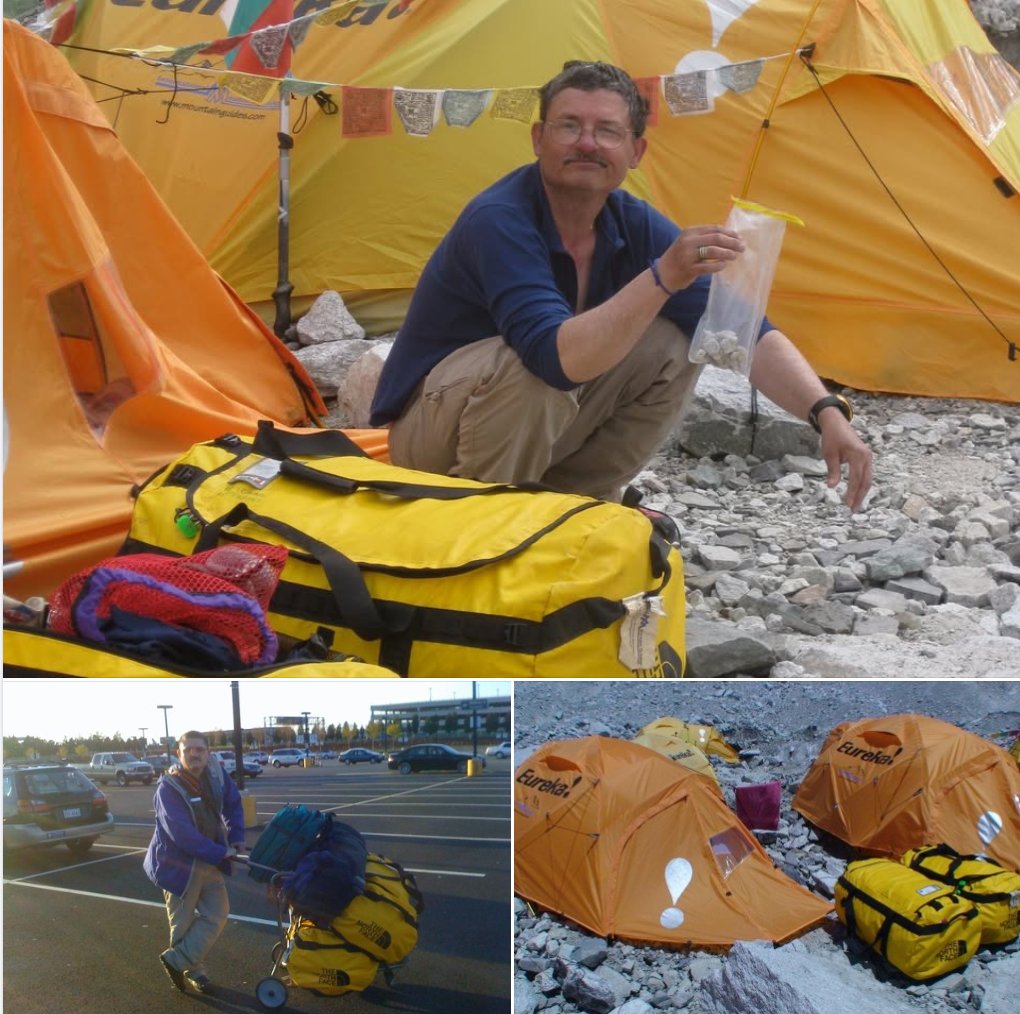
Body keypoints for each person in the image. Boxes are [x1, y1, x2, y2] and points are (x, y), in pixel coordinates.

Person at [370, 61, 873, 510]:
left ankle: (575, 507)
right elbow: (553, 358)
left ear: (635, 151)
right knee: (533, 371)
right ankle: (485, 520)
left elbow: (739, 328)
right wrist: (663, 277)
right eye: (570, 126)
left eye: (607, 131)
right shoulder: (499, 219)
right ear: (538, 139)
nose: (587, 143)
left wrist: (826, 412)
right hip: (431, 440)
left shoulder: (631, 221)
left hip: (530, 427)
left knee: (677, 345)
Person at [144, 730, 246, 995]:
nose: (194, 753)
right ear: (179, 754)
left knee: (218, 913)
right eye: (188, 749)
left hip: (210, 861)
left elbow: (233, 805)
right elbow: (181, 834)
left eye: (199, 749)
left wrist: (236, 838)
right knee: (183, 923)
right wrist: (218, 852)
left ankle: (176, 961)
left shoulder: (216, 775)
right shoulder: (169, 787)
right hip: (179, 867)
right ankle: (195, 971)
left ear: (208, 752)